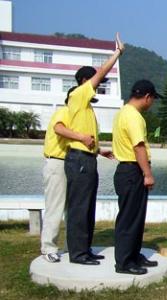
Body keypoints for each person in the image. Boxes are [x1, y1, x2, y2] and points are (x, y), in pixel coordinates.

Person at [65, 33, 124, 265]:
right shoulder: (78, 95)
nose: (98, 86)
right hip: (79, 160)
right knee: (79, 207)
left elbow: (85, 136)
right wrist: (117, 53)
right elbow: (101, 73)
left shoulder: (86, 107)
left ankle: (85, 249)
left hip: (88, 158)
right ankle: (78, 254)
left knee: (87, 205)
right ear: (84, 82)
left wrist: (100, 150)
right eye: (94, 82)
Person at [40, 87, 95, 263]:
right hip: (57, 161)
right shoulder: (64, 111)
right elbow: (59, 129)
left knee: (74, 208)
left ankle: (74, 247)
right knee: (55, 206)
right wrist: (82, 137)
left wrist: (99, 151)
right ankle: (48, 247)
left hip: (71, 163)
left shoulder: (74, 116)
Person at [112, 79, 159, 275]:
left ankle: (133, 254)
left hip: (128, 170)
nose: (152, 103)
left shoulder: (124, 112)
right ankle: (124, 262)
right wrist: (147, 174)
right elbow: (138, 146)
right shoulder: (133, 116)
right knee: (129, 218)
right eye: (153, 99)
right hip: (132, 171)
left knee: (136, 217)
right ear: (147, 97)